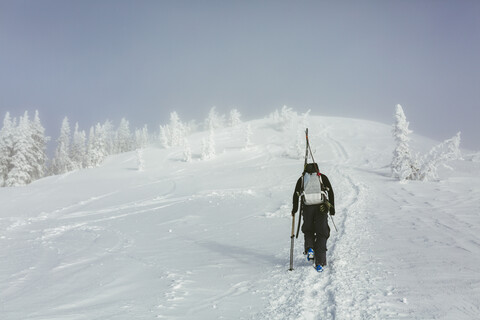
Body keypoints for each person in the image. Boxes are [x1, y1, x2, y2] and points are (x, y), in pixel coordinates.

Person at [291, 163, 335, 272]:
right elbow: (331, 193)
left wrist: (295, 209)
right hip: (321, 207)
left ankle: (309, 248)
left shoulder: (302, 179)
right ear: (317, 169)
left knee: (308, 230)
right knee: (322, 233)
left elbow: (295, 195)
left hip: (307, 208)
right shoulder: (321, 177)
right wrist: (332, 208)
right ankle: (320, 262)